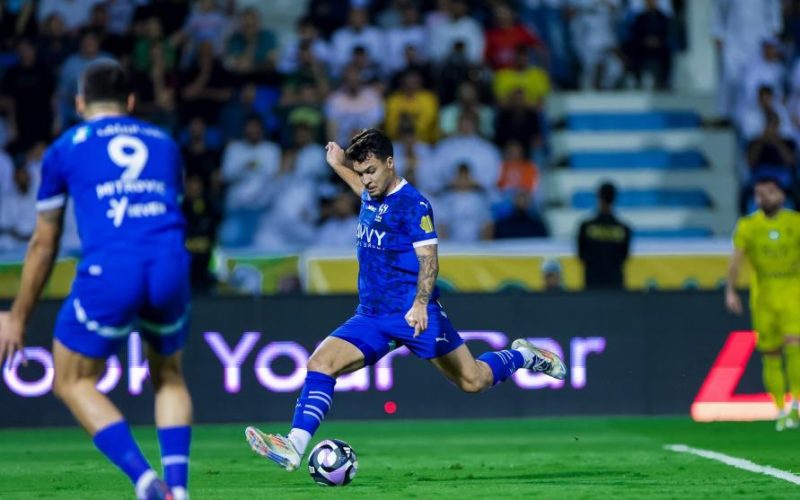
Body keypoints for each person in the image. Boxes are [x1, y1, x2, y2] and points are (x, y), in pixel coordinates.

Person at [244, 128, 565, 470]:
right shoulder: (372, 192)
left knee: (473, 381)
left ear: (391, 163)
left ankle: (521, 356)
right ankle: (294, 445)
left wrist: (421, 304)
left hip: (414, 314)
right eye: (361, 172)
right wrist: (339, 163)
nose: (365, 180)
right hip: (371, 316)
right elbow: (360, 189)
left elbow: (430, 260)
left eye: (371, 172)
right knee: (320, 364)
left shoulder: (414, 205)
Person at [0, 59, 192, 500]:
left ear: (79, 102)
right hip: (170, 266)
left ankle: (147, 483)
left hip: (112, 270)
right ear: (130, 102)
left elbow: (44, 243)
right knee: (169, 376)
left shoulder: (65, 147)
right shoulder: (164, 142)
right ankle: (178, 490)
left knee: (71, 380)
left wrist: (17, 317)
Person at [726, 176, 800, 431]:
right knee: (770, 354)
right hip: (764, 296)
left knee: (795, 346)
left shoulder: (796, 222)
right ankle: (780, 410)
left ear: (781, 194)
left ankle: (797, 405)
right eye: (759, 194)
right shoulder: (748, 226)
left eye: (769, 192)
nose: (763, 198)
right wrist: (731, 290)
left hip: (793, 292)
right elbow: (737, 259)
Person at [577, 182, 632, 289]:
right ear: (614, 199)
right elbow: (624, 257)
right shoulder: (624, 229)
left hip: (592, 284)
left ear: (598, 197)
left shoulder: (586, 227)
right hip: (615, 285)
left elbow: (581, 255)